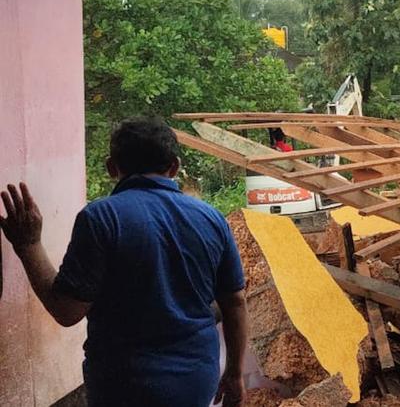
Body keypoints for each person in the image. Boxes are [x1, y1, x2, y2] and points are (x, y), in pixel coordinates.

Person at [0, 117, 248, 406]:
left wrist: (28, 245)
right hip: (195, 382)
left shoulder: (101, 218)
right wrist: (234, 373)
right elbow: (235, 303)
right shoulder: (211, 218)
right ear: (174, 167)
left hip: (123, 385)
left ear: (111, 168)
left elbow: (66, 311)